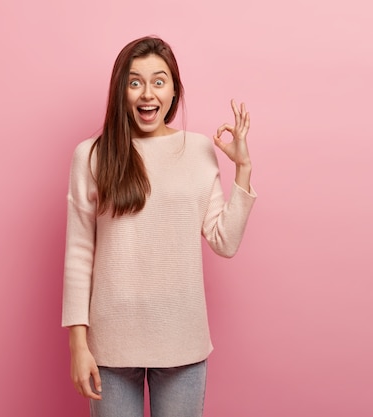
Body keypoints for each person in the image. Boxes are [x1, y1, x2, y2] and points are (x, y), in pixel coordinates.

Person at [61, 36, 257, 417]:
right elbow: (79, 251)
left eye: (158, 81)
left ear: (173, 91)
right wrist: (78, 345)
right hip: (112, 342)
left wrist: (243, 170)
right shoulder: (93, 154)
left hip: (182, 339)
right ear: (121, 91)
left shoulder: (199, 149)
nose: (146, 93)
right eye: (134, 82)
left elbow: (225, 241)